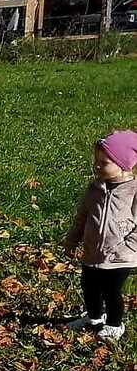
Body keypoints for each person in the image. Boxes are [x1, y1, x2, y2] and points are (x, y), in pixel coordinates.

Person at [63, 130, 137, 342]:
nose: (96, 166)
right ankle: (94, 317)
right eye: (96, 161)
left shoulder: (133, 191)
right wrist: (72, 239)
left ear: (123, 164)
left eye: (103, 162)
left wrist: (128, 247)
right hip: (92, 251)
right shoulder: (95, 188)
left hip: (120, 257)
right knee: (89, 286)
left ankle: (114, 324)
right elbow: (83, 216)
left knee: (111, 291)